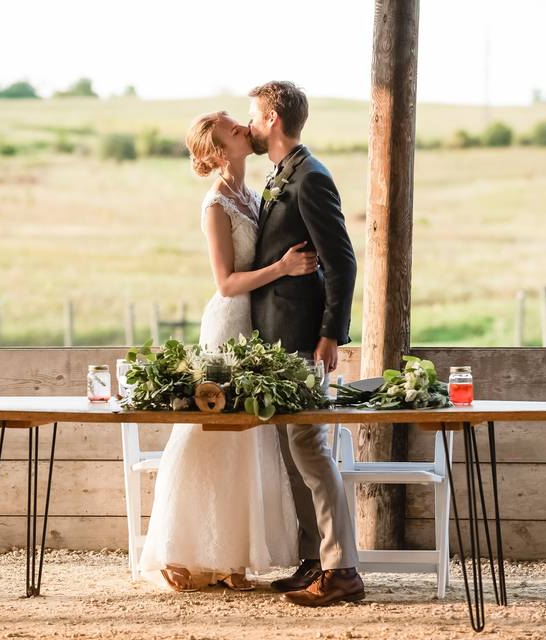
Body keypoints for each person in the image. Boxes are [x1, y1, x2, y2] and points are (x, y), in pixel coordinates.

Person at [136, 110, 318, 592]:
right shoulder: (217, 204)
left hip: (255, 328)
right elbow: (227, 281)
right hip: (226, 328)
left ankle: (231, 556)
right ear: (218, 152)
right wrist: (282, 268)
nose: (244, 129)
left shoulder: (252, 195)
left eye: (242, 122)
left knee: (245, 439)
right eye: (233, 130)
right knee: (210, 434)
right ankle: (182, 548)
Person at [247, 80, 364, 606]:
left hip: (301, 338)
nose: (250, 125)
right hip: (275, 338)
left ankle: (342, 572)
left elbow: (342, 261)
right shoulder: (282, 174)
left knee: (311, 449)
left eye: (254, 116)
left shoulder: (311, 178)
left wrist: (329, 335)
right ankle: (316, 559)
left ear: (272, 118)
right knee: (296, 449)